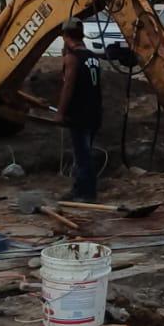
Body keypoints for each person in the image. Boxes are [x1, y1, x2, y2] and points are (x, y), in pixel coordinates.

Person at [56, 22, 102, 202]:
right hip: (94, 112)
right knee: (84, 153)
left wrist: (60, 112)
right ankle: (82, 189)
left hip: (79, 114)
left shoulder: (72, 58)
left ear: (66, 37)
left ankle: (85, 193)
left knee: (82, 155)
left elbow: (68, 87)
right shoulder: (93, 57)